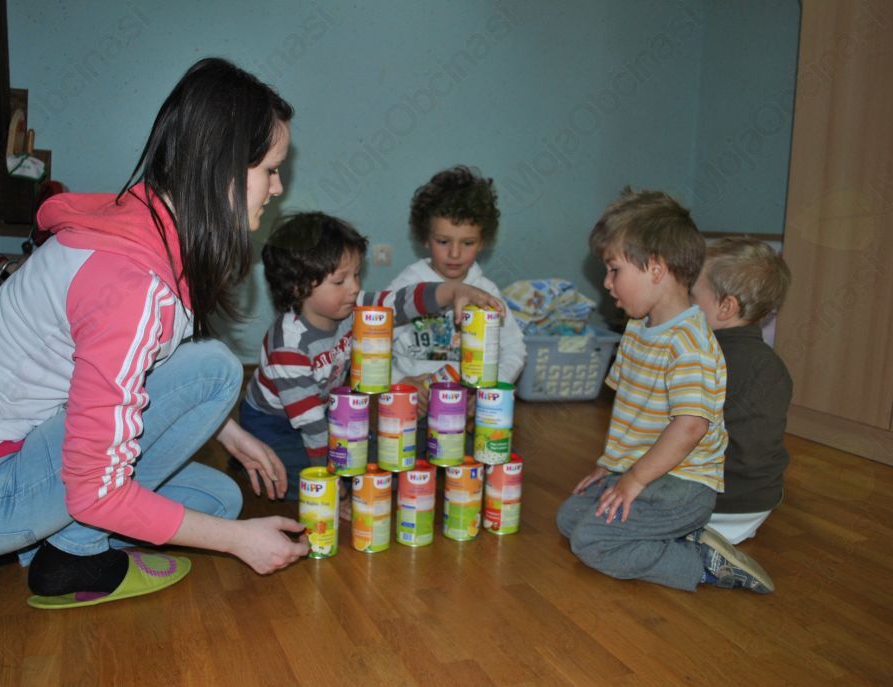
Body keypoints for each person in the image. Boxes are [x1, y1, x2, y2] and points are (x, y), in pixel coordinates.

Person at [0, 58, 308, 613]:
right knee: (216, 370)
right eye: (270, 170)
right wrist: (240, 544)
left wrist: (228, 434)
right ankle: (70, 559)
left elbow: (134, 375)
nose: (277, 187)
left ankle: (11, 545)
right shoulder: (131, 284)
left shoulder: (140, 225)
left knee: (219, 500)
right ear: (221, 169)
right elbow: (95, 490)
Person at [555, 187, 774, 593]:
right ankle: (676, 536)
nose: (606, 283)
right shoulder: (638, 328)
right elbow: (629, 413)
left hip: (683, 486)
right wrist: (610, 465)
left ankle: (701, 563)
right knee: (569, 519)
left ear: (655, 268)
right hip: (646, 472)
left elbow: (690, 427)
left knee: (592, 541)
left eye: (614, 270)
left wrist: (634, 479)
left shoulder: (690, 344)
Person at [241, 211, 505, 500]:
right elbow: (312, 426)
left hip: (325, 409)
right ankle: (250, 458)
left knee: (374, 451)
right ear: (298, 287)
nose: (355, 287)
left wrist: (453, 291)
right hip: (274, 423)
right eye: (340, 281)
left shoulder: (352, 306)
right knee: (294, 474)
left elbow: (400, 302)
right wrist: (336, 489)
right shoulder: (288, 347)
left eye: (356, 275)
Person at [387, 166, 525, 416]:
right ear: (425, 238)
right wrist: (399, 381)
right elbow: (370, 345)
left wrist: (490, 390)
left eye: (468, 243)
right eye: (443, 241)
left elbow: (514, 349)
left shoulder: (486, 292)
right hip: (410, 407)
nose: (454, 253)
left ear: (482, 242)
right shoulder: (406, 286)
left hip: (464, 411)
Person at [691, 237, 793, 544]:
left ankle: (687, 547)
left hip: (708, 501)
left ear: (726, 307)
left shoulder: (702, 359)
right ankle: (718, 542)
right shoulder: (774, 365)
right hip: (758, 503)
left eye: (691, 296)